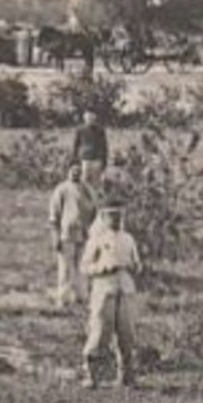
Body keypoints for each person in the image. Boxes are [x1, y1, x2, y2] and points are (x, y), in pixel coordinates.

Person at [80, 199, 143, 388]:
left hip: (125, 287)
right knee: (100, 330)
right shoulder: (97, 239)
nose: (116, 220)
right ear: (104, 217)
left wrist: (135, 267)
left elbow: (137, 262)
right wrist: (102, 267)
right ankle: (92, 375)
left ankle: (126, 376)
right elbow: (85, 266)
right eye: (111, 216)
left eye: (119, 216)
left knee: (127, 332)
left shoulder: (128, 239)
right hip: (104, 286)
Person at [47, 162, 97, 307]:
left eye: (78, 171)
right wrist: (55, 236)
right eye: (73, 170)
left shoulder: (87, 190)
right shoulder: (61, 189)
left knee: (83, 267)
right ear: (68, 171)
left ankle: (81, 298)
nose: (76, 173)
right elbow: (54, 216)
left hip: (84, 234)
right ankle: (63, 299)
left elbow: (95, 210)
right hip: (66, 235)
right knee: (65, 268)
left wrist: (93, 231)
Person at [72, 110, 109, 188]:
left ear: (95, 118)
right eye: (88, 118)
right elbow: (76, 145)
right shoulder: (80, 130)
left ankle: (95, 198)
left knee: (96, 182)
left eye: (91, 118)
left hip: (97, 159)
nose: (90, 120)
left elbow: (104, 146)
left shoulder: (100, 130)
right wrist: (75, 159)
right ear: (85, 119)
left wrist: (104, 160)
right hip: (85, 159)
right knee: (84, 181)